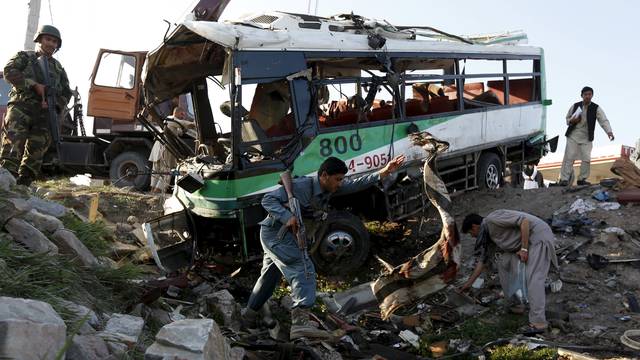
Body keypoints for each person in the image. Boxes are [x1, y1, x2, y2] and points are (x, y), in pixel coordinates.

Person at [245, 155, 405, 340]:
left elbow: (355, 184)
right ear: (324, 176)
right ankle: (300, 325)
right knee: (303, 269)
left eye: (341, 179)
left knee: (269, 277)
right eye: (338, 179)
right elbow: (268, 200)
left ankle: (247, 316)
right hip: (277, 235)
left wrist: (383, 172)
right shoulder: (302, 186)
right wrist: (286, 216)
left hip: (283, 237)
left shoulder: (329, 187)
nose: (340, 183)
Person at [459, 210, 558, 334]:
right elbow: (482, 262)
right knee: (503, 262)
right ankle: (516, 305)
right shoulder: (488, 236)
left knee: (533, 279)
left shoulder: (492, 219)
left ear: (474, 226)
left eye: (470, 233)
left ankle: (539, 323)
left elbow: (524, 222)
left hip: (537, 237)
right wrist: (468, 284)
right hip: (523, 244)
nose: (472, 236)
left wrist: (524, 249)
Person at [0, 25, 72, 186]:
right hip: (21, 108)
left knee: (35, 154)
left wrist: (55, 105)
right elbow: (9, 71)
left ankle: (24, 186)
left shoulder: (58, 68)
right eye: (48, 39)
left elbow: (66, 93)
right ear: (39, 40)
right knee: (12, 147)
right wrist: (33, 85)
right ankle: (5, 186)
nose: (51, 44)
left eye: (54, 42)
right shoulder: (25, 57)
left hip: (44, 114)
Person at [557, 86, 614, 186]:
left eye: (589, 94)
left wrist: (609, 132)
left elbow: (603, 120)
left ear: (592, 95)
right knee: (569, 157)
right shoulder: (575, 106)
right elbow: (567, 119)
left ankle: (582, 179)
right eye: (585, 94)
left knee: (586, 158)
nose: (587, 96)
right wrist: (571, 120)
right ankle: (564, 179)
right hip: (573, 135)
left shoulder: (596, 108)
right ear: (582, 96)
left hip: (587, 137)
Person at [149, 107, 192, 193]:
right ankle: (156, 193)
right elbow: (183, 123)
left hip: (159, 148)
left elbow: (179, 132)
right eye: (182, 114)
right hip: (164, 148)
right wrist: (194, 123)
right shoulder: (171, 119)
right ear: (176, 113)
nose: (183, 116)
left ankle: (152, 192)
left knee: (156, 171)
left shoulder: (170, 122)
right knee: (166, 171)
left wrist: (184, 129)